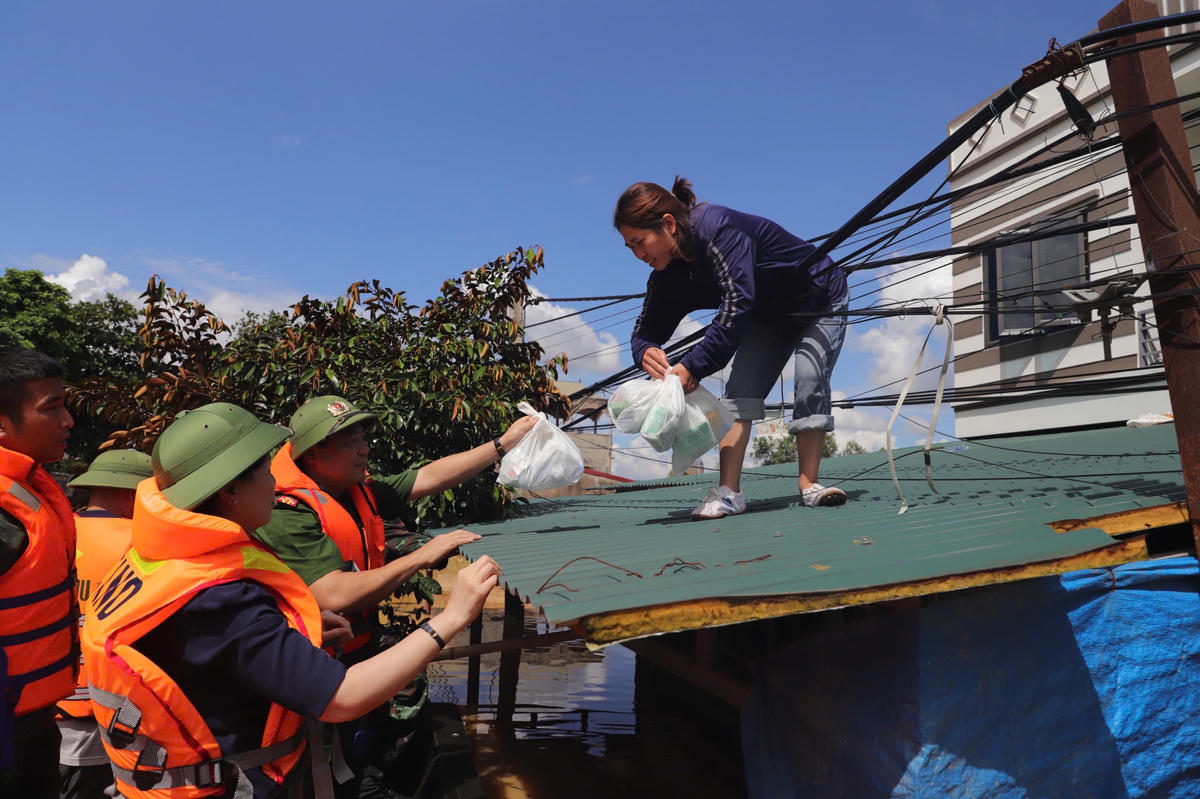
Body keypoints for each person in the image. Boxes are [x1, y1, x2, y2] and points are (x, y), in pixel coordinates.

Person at [82, 402, 501, 799]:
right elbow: (343, 697)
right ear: (229, 492)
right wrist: (453, 617)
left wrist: (296, 633)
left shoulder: (157, 560)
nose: (275, 483)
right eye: (266, 471)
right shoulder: (218, 599)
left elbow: (209, 653)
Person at [253, 395, 535, 796]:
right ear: (314, 453)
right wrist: (421, 557)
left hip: (357, 642)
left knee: (387, 729)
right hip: (313, 661)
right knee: (323, 770)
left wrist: (503, 443)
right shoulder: (287, 509)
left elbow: (431, 476)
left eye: (363, 437)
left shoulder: (357, 489)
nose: (364, 448)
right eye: (350, 441)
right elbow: (333, 592)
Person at [615, 177, 850, 519]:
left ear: (667, 224)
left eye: (640, 242)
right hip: (767, 313)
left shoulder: (716, 228)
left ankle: (810, 484)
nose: (638, 255)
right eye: (630, 247)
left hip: (820, 295)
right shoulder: (666, 276)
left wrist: (694, 366)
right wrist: (644, 349)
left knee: (809, 378)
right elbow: (644, 330)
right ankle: (729, 492)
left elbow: (737, 302)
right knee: (740, 392)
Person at [0, 347, 77, 799]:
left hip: (32, 722)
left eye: (64, 404)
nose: (68, 420)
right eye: (51, 408)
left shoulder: (28, 487)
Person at [57, 449, 152, 799]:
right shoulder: (140, 545)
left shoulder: (58, 530)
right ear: (133, 496)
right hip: (113, 713)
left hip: (52, 704)